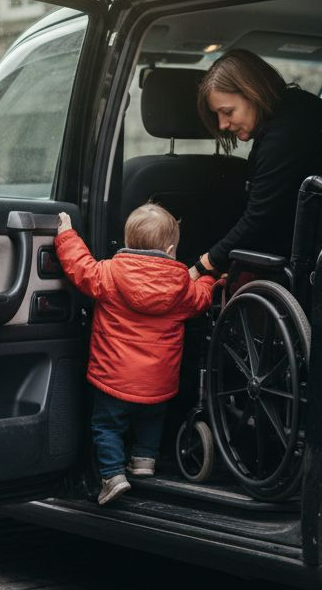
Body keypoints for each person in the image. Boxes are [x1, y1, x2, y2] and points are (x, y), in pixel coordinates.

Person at [55, 203, 216, 505]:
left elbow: (80, 267)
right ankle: (144, 460)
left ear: (127, 243)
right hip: (158, 383)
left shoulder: (111, 274)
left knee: (106, 426)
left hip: (112, 380)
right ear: (170, 249)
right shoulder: (181, 286)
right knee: (151, 420)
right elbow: (202, 300)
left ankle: (112, 476)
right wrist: (209, 276)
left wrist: (66, 235)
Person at [189, 49, 322, 279]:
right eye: (217, 115)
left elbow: (260, 216)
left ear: (252, 93)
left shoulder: (286, 133)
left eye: (227, 112)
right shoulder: (296, 111)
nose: (222, 124)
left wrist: (203, 266)